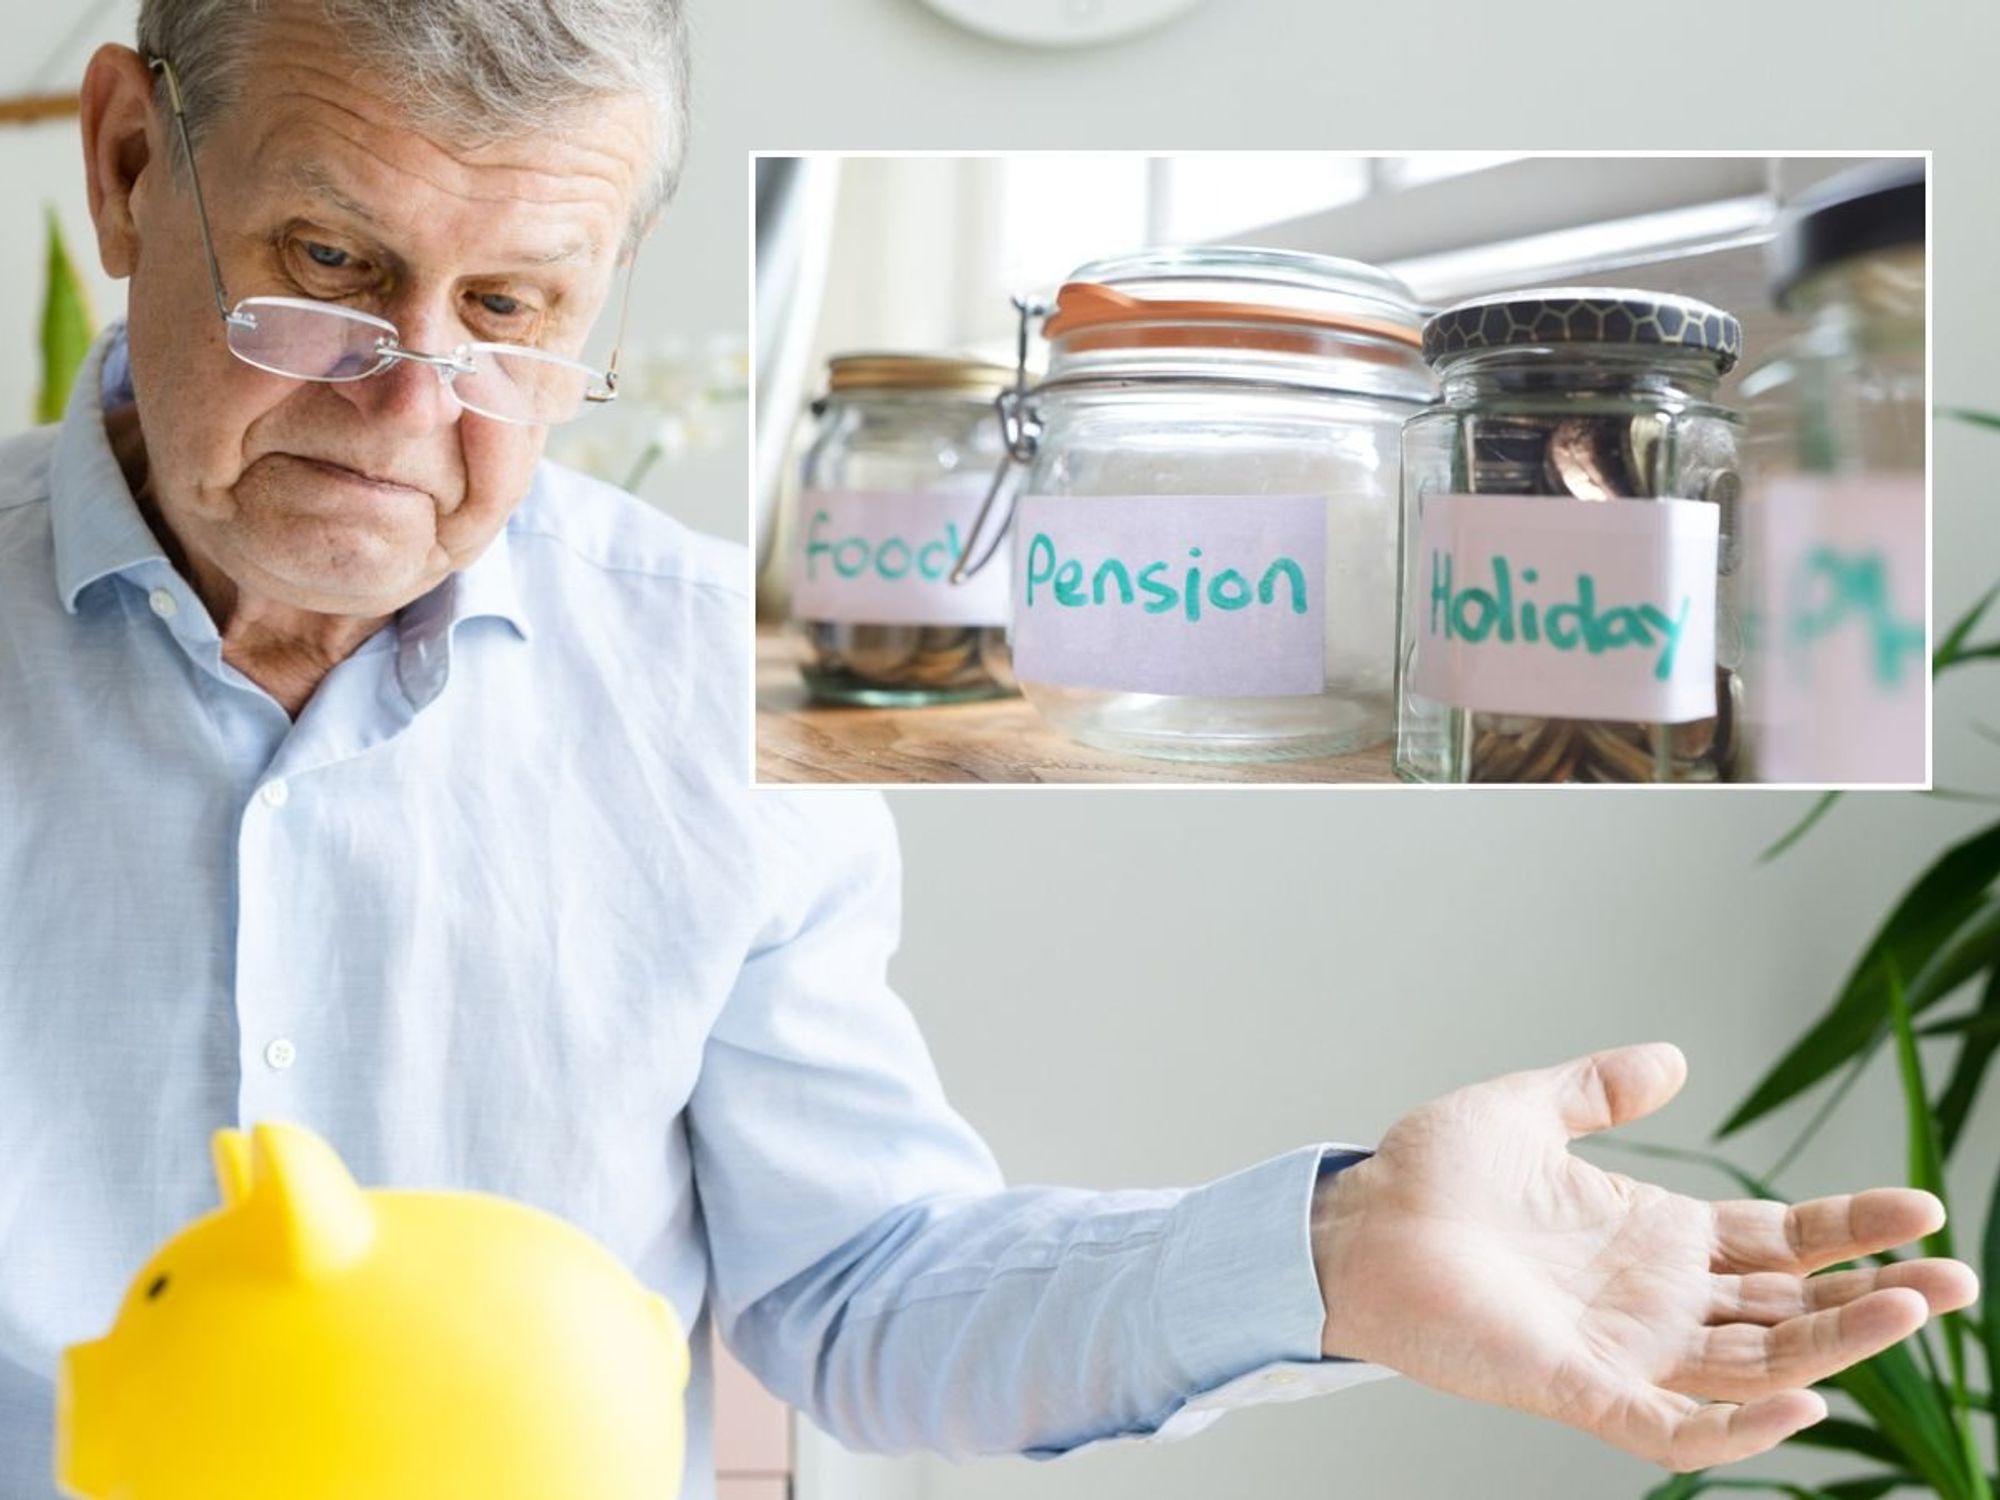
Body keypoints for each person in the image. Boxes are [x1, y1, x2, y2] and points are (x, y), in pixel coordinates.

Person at [0, 3, 1977, 1496]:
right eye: (329, 270)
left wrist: (1334, 1255)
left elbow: (860, 1286)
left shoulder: (701, 680)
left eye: (510, 311)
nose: (414, 398)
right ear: (119, 164)